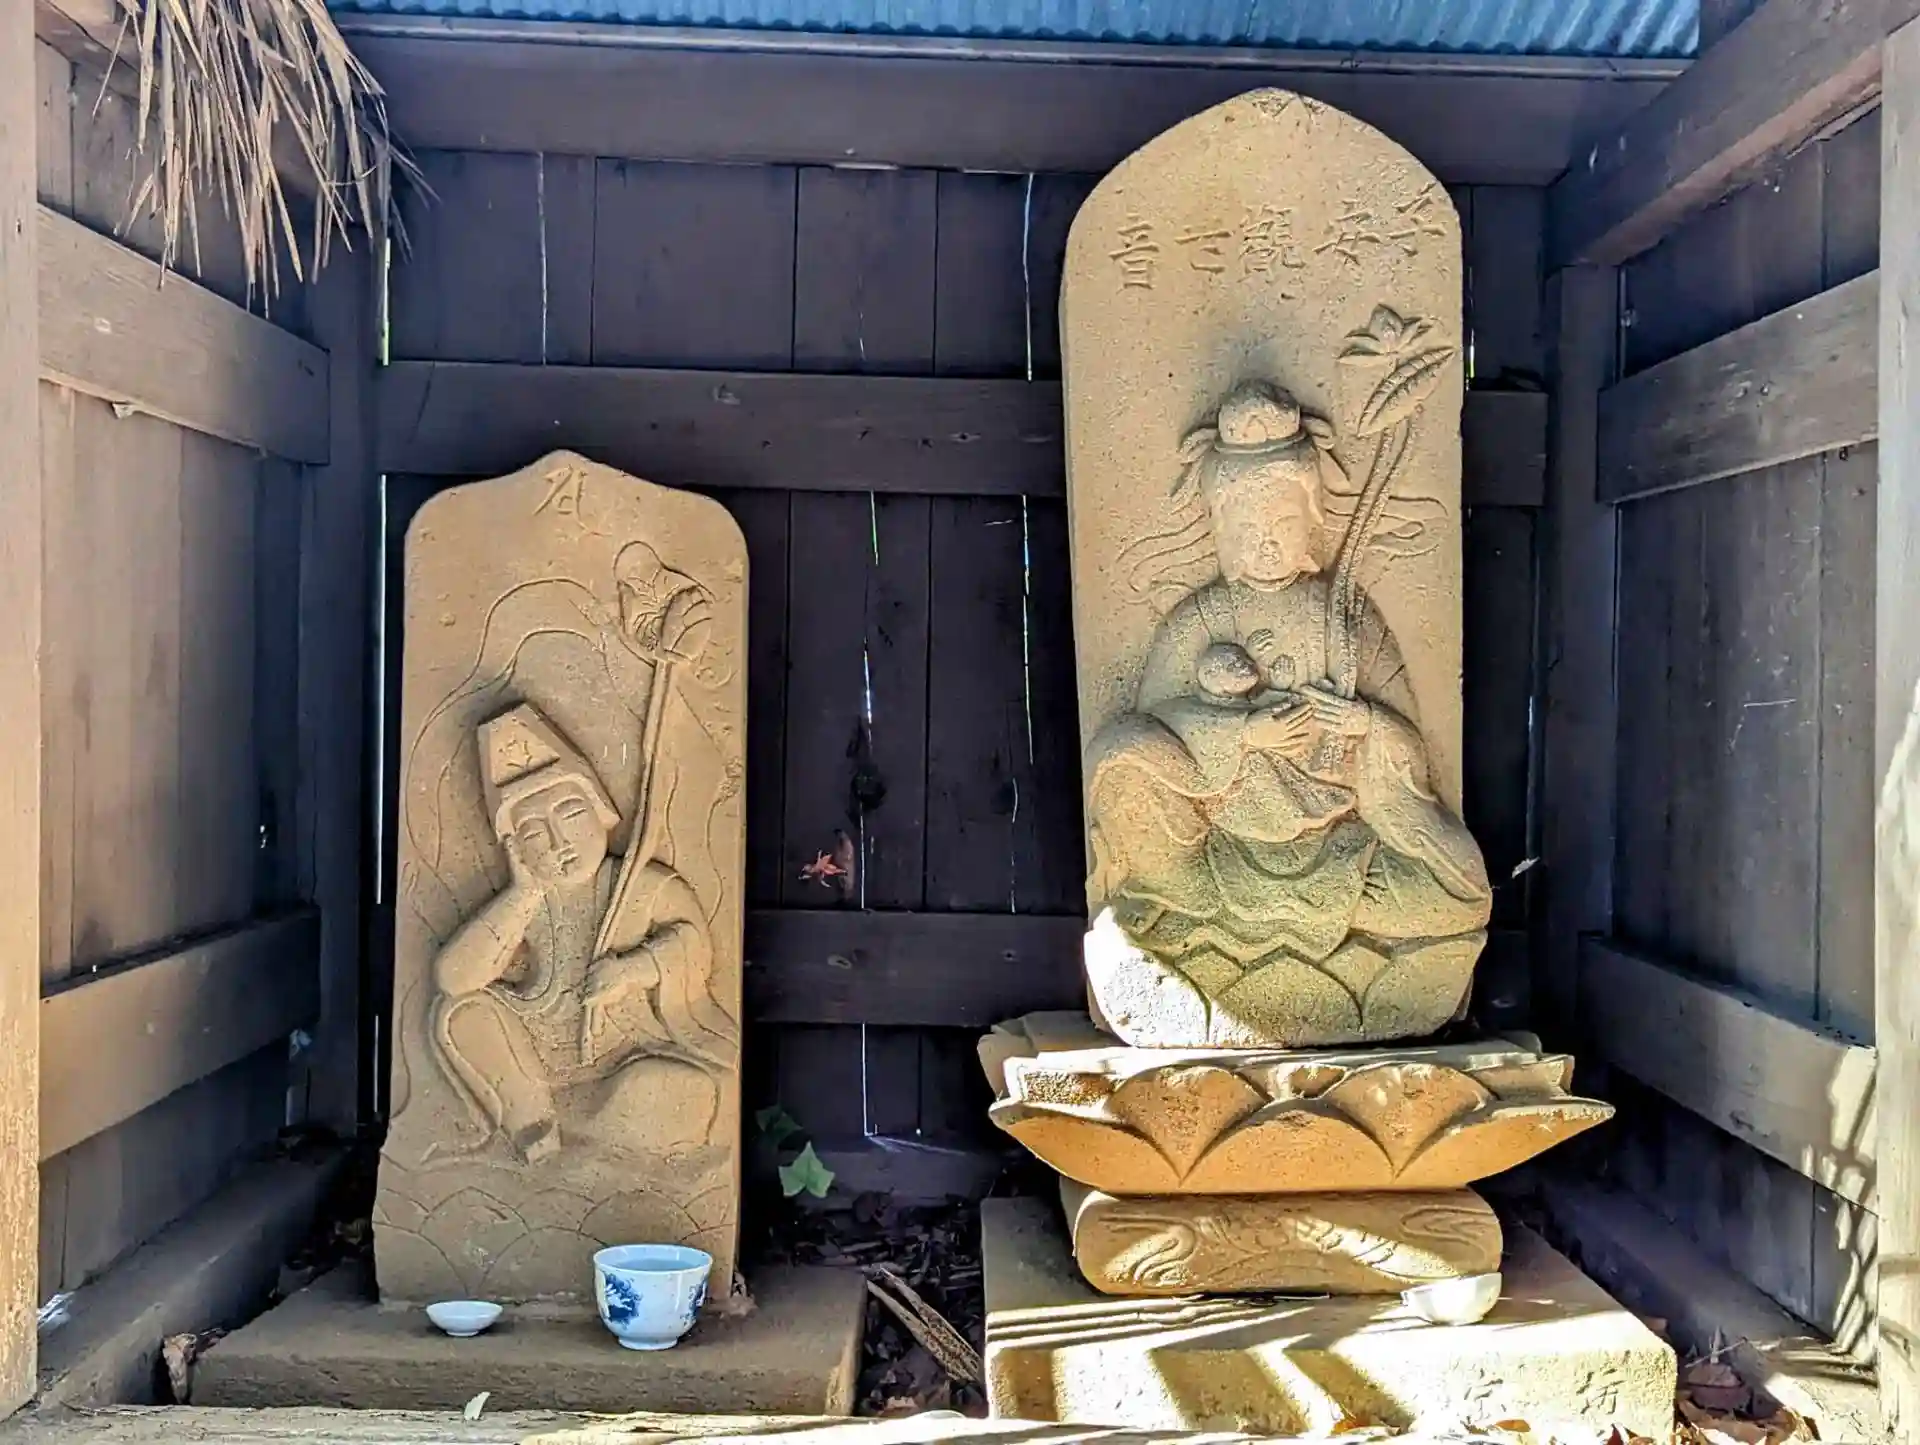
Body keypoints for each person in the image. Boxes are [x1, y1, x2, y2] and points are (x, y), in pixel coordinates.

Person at [1084, 381, 1491, 993]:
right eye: (1247, 527)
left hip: (1339, 852)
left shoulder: (1348, 618)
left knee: (1460, 894)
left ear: (1314, 518)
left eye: (1282, 522)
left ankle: (1239, 935)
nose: (1266, 542)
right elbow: (1153, 737)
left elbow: (1409, 745)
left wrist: (1365, 724)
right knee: (1121, 762)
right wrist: (1244, 734)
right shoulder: (1200, 619)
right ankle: (1222, 923)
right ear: (1218, 527)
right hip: (1219, 850)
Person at [428, 705, 727, 1164]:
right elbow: (453, 978)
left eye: (570, 814)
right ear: (514, 849)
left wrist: (634, 968)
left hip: (624, 1051)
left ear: (601, 812)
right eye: (534, 832)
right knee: (460, 1013)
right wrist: (523, 893)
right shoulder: (530, 901)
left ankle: (580, 1130)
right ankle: (536, 1123)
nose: (559, 841)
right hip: (536, 1060)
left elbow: (693, 946)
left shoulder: (644, 886)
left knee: (685, 1091)